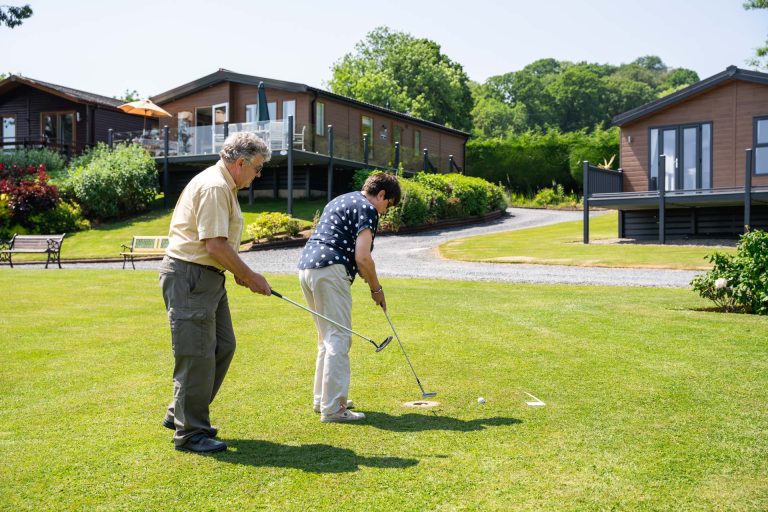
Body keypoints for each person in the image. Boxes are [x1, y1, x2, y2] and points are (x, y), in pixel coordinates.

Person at [159, 132, 272, 453]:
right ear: (241, 163)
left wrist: (238, 273)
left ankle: (179, 414)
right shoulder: (215, 187)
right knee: (196, 355)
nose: (258, 174)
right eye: (258, 168)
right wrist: (249, 275)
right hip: (191, 276)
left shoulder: (225, 185)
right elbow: (214, 244)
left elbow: (218, 245)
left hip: (207, 276)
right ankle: (191, 433)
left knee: (223, 346)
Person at [298, 172, 401, 423]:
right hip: (330, 270)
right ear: (382, 195)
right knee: (339, 338)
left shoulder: (342, 200)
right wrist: (376, 289)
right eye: (388, 205)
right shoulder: (368, 209)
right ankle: (334, 408)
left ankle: (323, 399)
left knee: (326, 337)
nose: (385, 211)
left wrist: (369, 281)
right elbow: (362, 257)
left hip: (307, 268)